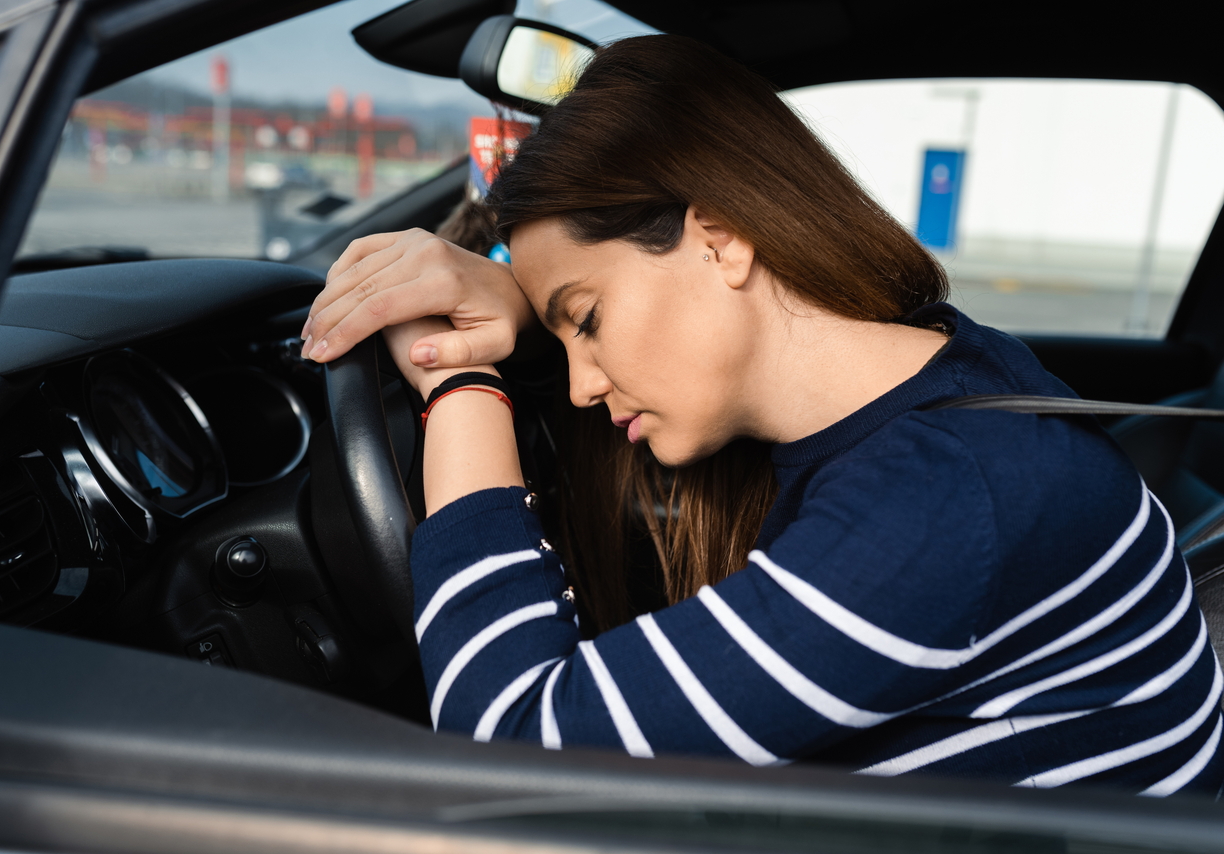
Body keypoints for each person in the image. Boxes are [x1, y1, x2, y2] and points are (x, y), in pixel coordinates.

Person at [300, 35, 1223, 793]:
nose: (580, 385)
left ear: (721, 237)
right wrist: (530, 309)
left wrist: (458, 386)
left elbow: (510, 745)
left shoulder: (944, 503)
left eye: (587, 319)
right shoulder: (950, 376)